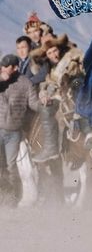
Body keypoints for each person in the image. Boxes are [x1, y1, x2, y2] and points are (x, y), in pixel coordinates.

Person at [30, 34, 90, 163]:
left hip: (77, 91)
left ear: (59, 49)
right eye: (50, 53)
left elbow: (84, 68)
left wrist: (72, 73)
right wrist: (44, 93)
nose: (54, 55)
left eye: (55, 51)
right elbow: (46, 84)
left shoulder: (73, 57)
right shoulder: (50, 70)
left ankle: (90, 133)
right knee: (44, 108)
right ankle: (51, 148)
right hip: (60, 96)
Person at [0, 54, 39, 205]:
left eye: (6, 66)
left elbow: (34, 104)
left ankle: (12, 198)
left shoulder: (25, 83)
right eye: (2, 65)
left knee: (10, 166)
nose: (3, 68)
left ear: (15, 67)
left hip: (13, 132)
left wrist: (44, 100)